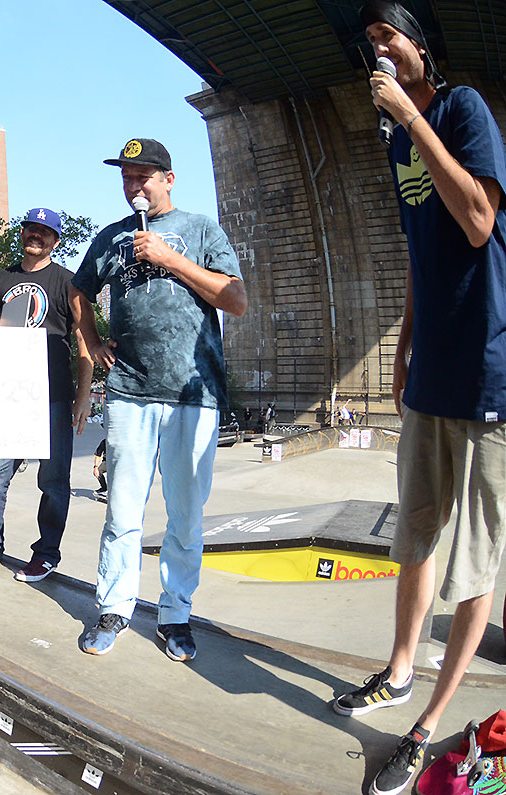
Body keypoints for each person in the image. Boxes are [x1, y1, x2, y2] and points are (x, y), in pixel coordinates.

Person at [331, 5, 506, 795]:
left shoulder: (461, 108)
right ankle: (400, 670)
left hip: (490, 372)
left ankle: (429, 725)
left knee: (474, 559)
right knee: (416, 533)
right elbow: (419, 248)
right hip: (432, 366)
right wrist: (402, 348)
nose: (377, 52)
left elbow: (476, 221)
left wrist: (414, 116)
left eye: (388, 37)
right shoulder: (395, 139)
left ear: (420, 45)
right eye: (369, 45)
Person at [70, 138, 247, 662]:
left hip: (195, 393)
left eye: (144, 176)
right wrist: (93, 340)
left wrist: (170, 259)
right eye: (126, 178)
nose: (134, 187)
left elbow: (236, 300)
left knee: (186, 515)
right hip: (130, 391)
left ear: (168, 179)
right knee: (122, 511)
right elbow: (79, 292)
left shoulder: (200, 230)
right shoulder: (111, 238)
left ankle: (175, 615)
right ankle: (114, 607)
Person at [0, 208, 93, 582]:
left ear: (56, 241)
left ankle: (46, 554)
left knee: (53, 480)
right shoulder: (2, 280)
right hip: (6, 397)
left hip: (53, 395)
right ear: (23, 234)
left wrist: (83, 395)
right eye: (32, 229)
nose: (37, 236)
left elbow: (83, 339)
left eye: (46, 232)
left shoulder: (67, 281)